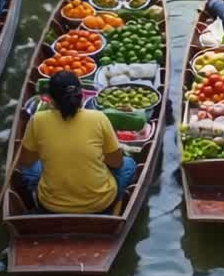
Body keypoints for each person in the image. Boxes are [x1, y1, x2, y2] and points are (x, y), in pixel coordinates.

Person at [18, 70, 137, 214]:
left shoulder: (37, 120)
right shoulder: (99, 118)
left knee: (28, 169)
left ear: (50, 99)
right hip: (100, 202)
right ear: (81, 96)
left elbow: (26, 160)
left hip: (51, 205)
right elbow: (117, 163)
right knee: (129, 164)